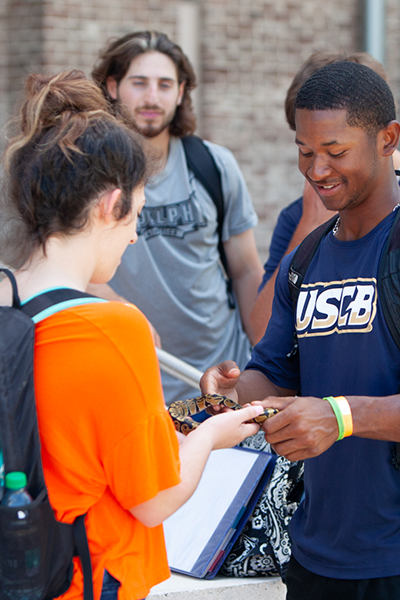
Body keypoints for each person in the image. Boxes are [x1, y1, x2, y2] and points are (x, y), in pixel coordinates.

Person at [202, 61, 400, 599]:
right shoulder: (308, 256)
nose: (317, 169)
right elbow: (276, 371)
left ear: (388, 139)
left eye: (336, 151)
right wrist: (232, 396)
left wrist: (341, 416)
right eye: (305, 151)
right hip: (315, 553)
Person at [0, 70, 264, 600]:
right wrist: (211, 436)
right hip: (84, 577)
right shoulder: (114, 327)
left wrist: (197, 413)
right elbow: (153, 499)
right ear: (106, 206)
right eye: (135, 215)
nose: (136, 235)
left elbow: (76, 441)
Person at [90, 31, 264, 406]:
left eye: (165, 85)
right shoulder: (91, 174)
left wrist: (266, 367)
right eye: (139, 83)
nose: (152, 97)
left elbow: (247, 270)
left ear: (181, 91)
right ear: (113, 86)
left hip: (220, 383)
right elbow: (75, 273)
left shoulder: (214, 166)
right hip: (132, 386)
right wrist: (125, 311)